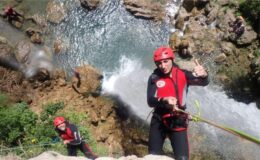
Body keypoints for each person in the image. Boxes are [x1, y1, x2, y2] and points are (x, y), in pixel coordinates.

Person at [147, 46, 209, 160]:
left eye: (165, 61)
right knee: (153, 156)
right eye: (159, 63)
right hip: (158, 119)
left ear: (172, 59)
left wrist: (204, 75)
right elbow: (150, 101)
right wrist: (164, 99)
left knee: (182, 158)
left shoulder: (183, 74)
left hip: (178, 119)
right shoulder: (154, 77)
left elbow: (203, 82)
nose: (163, 66)